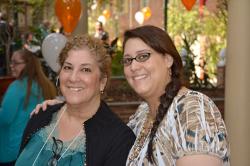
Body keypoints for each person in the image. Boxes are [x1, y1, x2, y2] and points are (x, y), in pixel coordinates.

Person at [32, 25, 230, 166]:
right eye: (128, 60)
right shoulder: (142, 114)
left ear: (168, 59)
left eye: (143, 56)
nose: (134, 66)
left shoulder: (193, 109)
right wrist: (63, 104)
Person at [15, 35, 135, 166]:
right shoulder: (41, 116)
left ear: (102, 81)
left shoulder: (119, 140)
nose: (73, 77)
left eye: (85, 69)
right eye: (68, 67)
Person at [0, 49, 57, 165]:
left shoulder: (17, 86)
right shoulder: (46, 85)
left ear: (27, 64)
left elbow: (4, 119)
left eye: (15, 63)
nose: (11, 66)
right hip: (35, 149)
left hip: (11, 150)